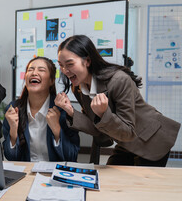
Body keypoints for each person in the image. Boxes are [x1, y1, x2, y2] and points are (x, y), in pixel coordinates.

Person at [55, 35, 181, 167]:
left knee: (140, 186)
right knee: (108, 181)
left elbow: (128, 131)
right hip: (125, 141)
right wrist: (70, 111)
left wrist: (104, 113)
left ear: (87, 60)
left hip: (152, 140)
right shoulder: (79, 87)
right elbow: (97, 126)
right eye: (61, 65)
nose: (64, 71)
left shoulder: (119, 80)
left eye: (69, 64)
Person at [3, 56, 80, 162]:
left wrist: (57, 130)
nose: (34, 73)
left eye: (41, 70)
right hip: (26, 173)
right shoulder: (14, 110)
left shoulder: (62, 110)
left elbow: (71, 156)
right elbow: (11, 157)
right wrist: (13, 130)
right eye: (30, 69)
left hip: (54, 173)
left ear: (51, 80)